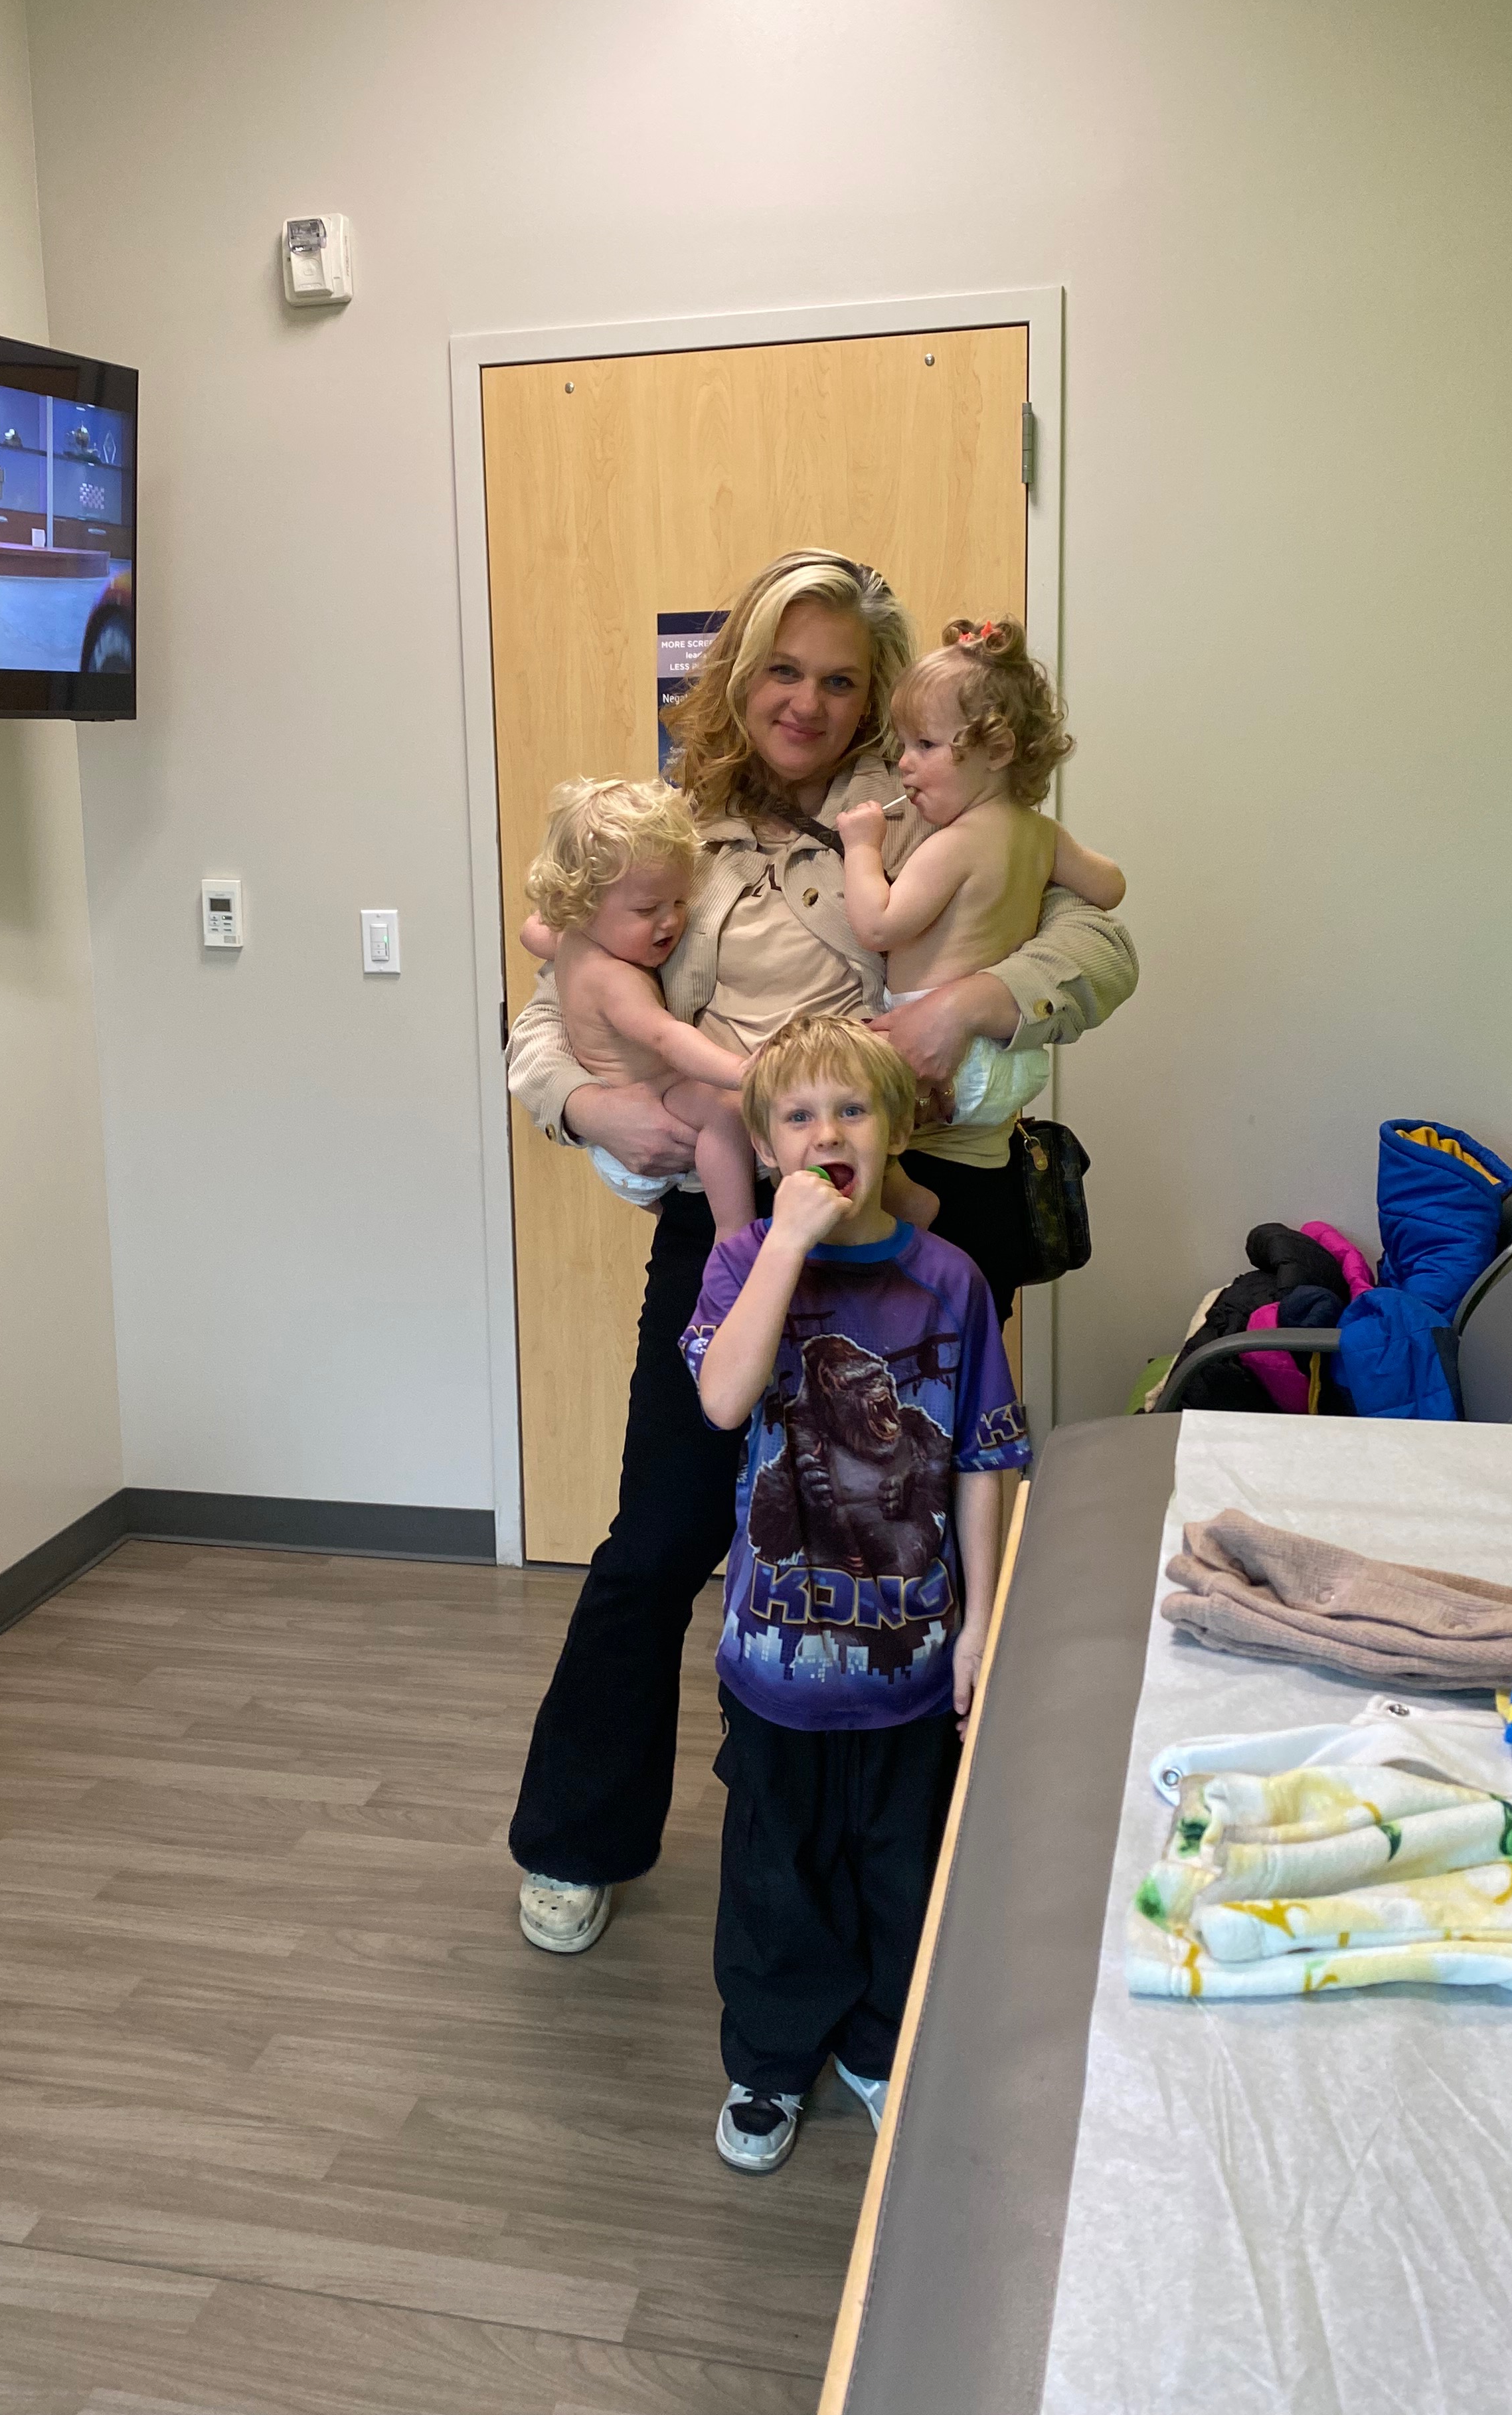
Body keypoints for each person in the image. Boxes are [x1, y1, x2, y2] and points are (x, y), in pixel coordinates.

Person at [506, 548, 1137, 1956]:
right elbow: (553, 1005)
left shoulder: (927, 805)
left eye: (841, 680)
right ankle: (575, 1835)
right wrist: (586, 1103)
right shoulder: (668, 833)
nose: (806, 701)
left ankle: (931, 1857)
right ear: (738, 675)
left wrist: (976, 996)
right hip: (733, 1225)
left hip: (912, 1219)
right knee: (662, 1531)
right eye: (782, 670)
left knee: (917, 1546)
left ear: (876, 696)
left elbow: (1102, 945)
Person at [682, 1015, 1028, 2170]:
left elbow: (983, 1458)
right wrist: (785, 1243)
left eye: (851, 1109)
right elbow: (723, 1400)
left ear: (896, 1129)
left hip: (910, 1661)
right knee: (776, 1873)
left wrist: (981, 1623)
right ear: (765, 1145)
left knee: (898, 1865)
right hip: (775, 1664)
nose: (826, 1133)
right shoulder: (743, 1264)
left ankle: (883, 2043)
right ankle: (771, 2059)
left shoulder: (949, 1280)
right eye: (798, 1116)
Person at [838, 619, 1126, 1227]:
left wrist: (862, 848)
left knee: (844, 1100)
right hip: (1010, 1056)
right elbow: (1110, 888)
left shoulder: (951, 845)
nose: (904, 764)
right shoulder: (1043, 834)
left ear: (997, 751)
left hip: (942, 1054)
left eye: (925, 745)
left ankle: (902, 1196)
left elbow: (878, 927)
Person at [518, 776, 756, 1235]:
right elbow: (667, 1038)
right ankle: (734, 1236)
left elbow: (533, 931)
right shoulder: (614, 979)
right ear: (583, 904)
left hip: (616, 1148)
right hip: (651, 1109)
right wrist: (743, 1072)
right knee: (726, 1111)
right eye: (648, 910)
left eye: (680, 900)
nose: (671, 920)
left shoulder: (569, 938)